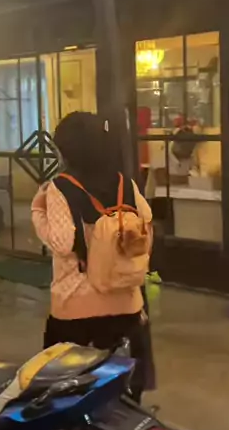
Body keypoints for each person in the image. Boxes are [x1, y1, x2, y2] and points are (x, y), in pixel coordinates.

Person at [31, 111, 155, 402]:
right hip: (126, 305)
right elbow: (146, 225)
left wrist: (38, 211)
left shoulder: (60, 187)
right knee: (123, 391)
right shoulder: (125, 184)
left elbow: (63, 243)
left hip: (77, 306)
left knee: (66, 393)